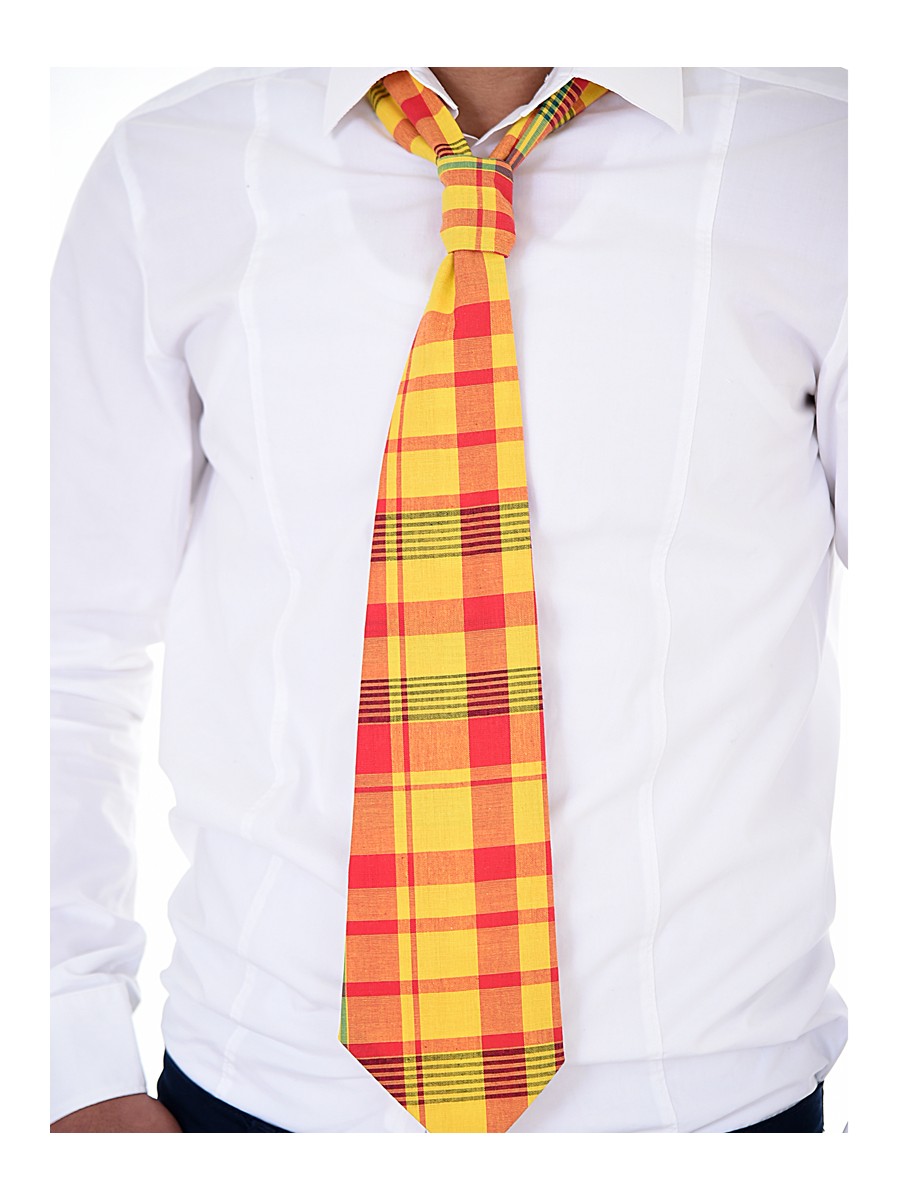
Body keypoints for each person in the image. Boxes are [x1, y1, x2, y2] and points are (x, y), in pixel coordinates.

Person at [50, 66, 847, 1133]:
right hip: (252, 1094)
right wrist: (68, 1061)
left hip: (718, 1111)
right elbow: (61, 638)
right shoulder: (172, 168)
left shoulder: (825, 173)